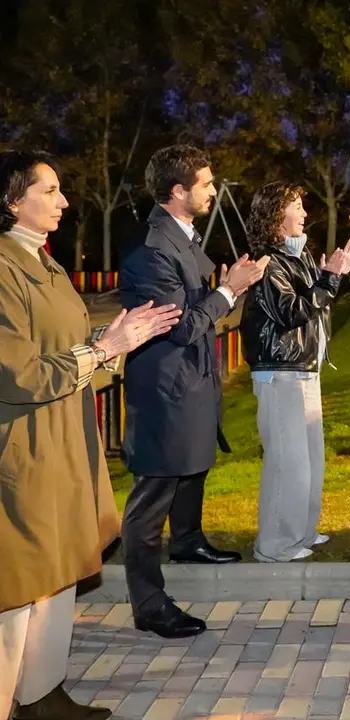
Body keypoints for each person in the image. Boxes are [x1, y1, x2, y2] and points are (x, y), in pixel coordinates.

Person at [0, 150, 180, 720]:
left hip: (62, 439)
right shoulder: (3, 268)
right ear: (11, 200)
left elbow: (66, 350)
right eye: (49, 191)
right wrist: (103, 350)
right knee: (20, 584)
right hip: (23, 442)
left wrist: (112, 342)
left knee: (57, 574)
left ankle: (42, 692)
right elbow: (17, 374)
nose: (64, 201)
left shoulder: (44, 263)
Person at [118, 145, 269, 639]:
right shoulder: (152, 250)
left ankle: (187, 541)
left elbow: (198, 307)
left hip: (192, 378)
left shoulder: (182, 235)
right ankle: (148, 603)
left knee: (193, 464)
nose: (212, 190)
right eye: (205, 183)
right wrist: (229, 290)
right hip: (165, 387)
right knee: (154, 493)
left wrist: (224, 290)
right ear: (178, 191)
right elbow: (182, 327)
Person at [239, 183, 350, 562]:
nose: (305, 213)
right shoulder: (268, 263)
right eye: (296, 206)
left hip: (304, 368)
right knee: (287, 462)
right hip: (280, 372)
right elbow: (291, 312)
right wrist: (329, 279)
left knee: (309, 461)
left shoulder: (299, 256)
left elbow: (319, 301)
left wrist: (339, 275)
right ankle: (275, 545)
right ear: (276, 214)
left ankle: (302, 532)